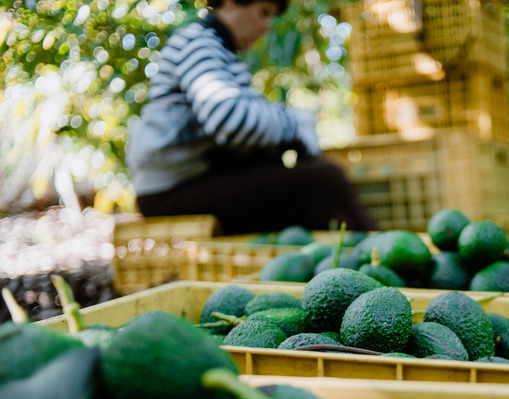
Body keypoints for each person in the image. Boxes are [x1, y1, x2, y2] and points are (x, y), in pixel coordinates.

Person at [126, 0, 377, 234]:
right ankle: (378, 262)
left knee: (293, 176)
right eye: (264, 12)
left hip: (195, 181)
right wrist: (296, 124)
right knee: (324, 181)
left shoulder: (219, 50)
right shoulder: (199, 42)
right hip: (171, 191)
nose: (267, 26)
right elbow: (230, 120)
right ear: (230, 2)